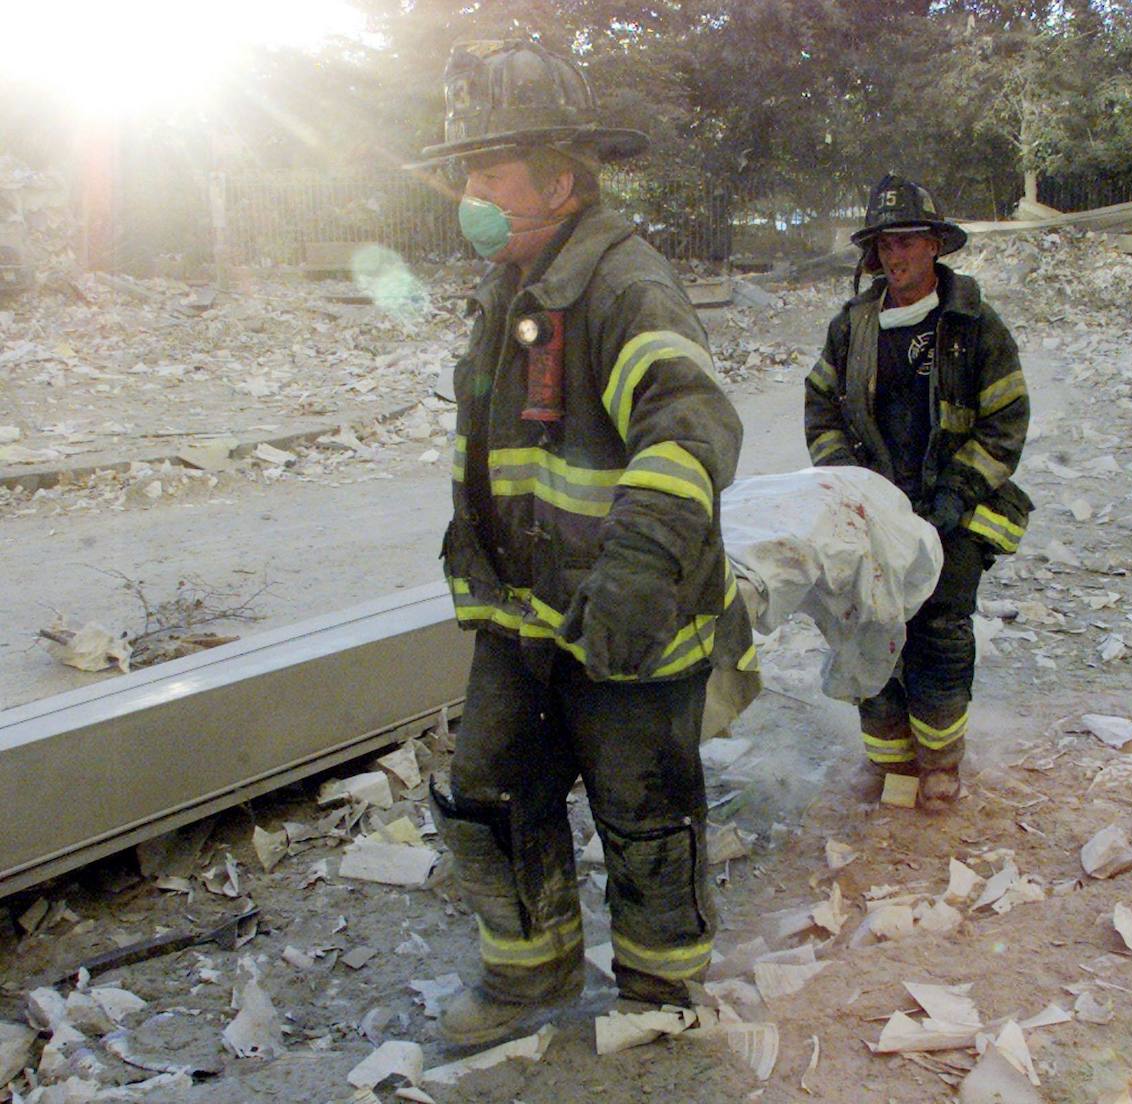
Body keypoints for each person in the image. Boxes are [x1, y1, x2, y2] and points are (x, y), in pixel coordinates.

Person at [417, 40, 755, 1046]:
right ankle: (530, 977)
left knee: (644, 813)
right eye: (462, 172)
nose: (469, 193)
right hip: (524, 617)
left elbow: (691, 425)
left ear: (559, 178)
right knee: (491, 789)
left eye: (490, 170)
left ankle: (658, 997)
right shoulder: (511, 288)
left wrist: (638, 574)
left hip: (628, 619)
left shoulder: (624, 284)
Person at [803, 174, 1031, 807]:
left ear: (934, 245)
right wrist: (847, 482)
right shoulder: (853, 328)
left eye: (906, 241)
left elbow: (1006, 421)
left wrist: (958, 491)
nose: (894, 257)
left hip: (954, 513)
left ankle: (940, 762)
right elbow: (820, 407)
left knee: (938, 628)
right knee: (868, 624)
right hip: (873, 513)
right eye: (883, 245)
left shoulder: (974, 326)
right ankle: (889, 760)